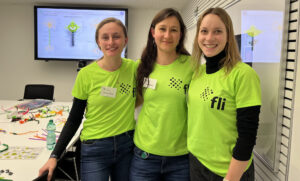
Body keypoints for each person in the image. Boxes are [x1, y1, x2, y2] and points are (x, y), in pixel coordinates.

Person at [38, 17, 136, 181]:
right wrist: (55, 155)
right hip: (94, 148)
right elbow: (74, 118)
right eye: (105, 37)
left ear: (125, 40)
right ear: (98, 42)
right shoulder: (86, 74)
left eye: (116, 36)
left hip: (126, 147)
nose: (111, 42)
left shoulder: (135, 69)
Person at [187, 7, 261, 181]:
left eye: (218, 31)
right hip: (196, 164)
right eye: (204, 31)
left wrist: (231, 178)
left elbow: (247, 137)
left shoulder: (243, 74)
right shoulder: (197, 73)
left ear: (228, 36)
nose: (209, 38)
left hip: (229, 172)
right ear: (198, 35)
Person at [130, 8, 193, 181]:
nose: (167, 35)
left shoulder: (193, 66)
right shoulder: (140, 67)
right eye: (162, 29)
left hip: (181, 158)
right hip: (145, 155)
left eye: (174, 30)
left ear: (180, 34)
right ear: (153, 32)